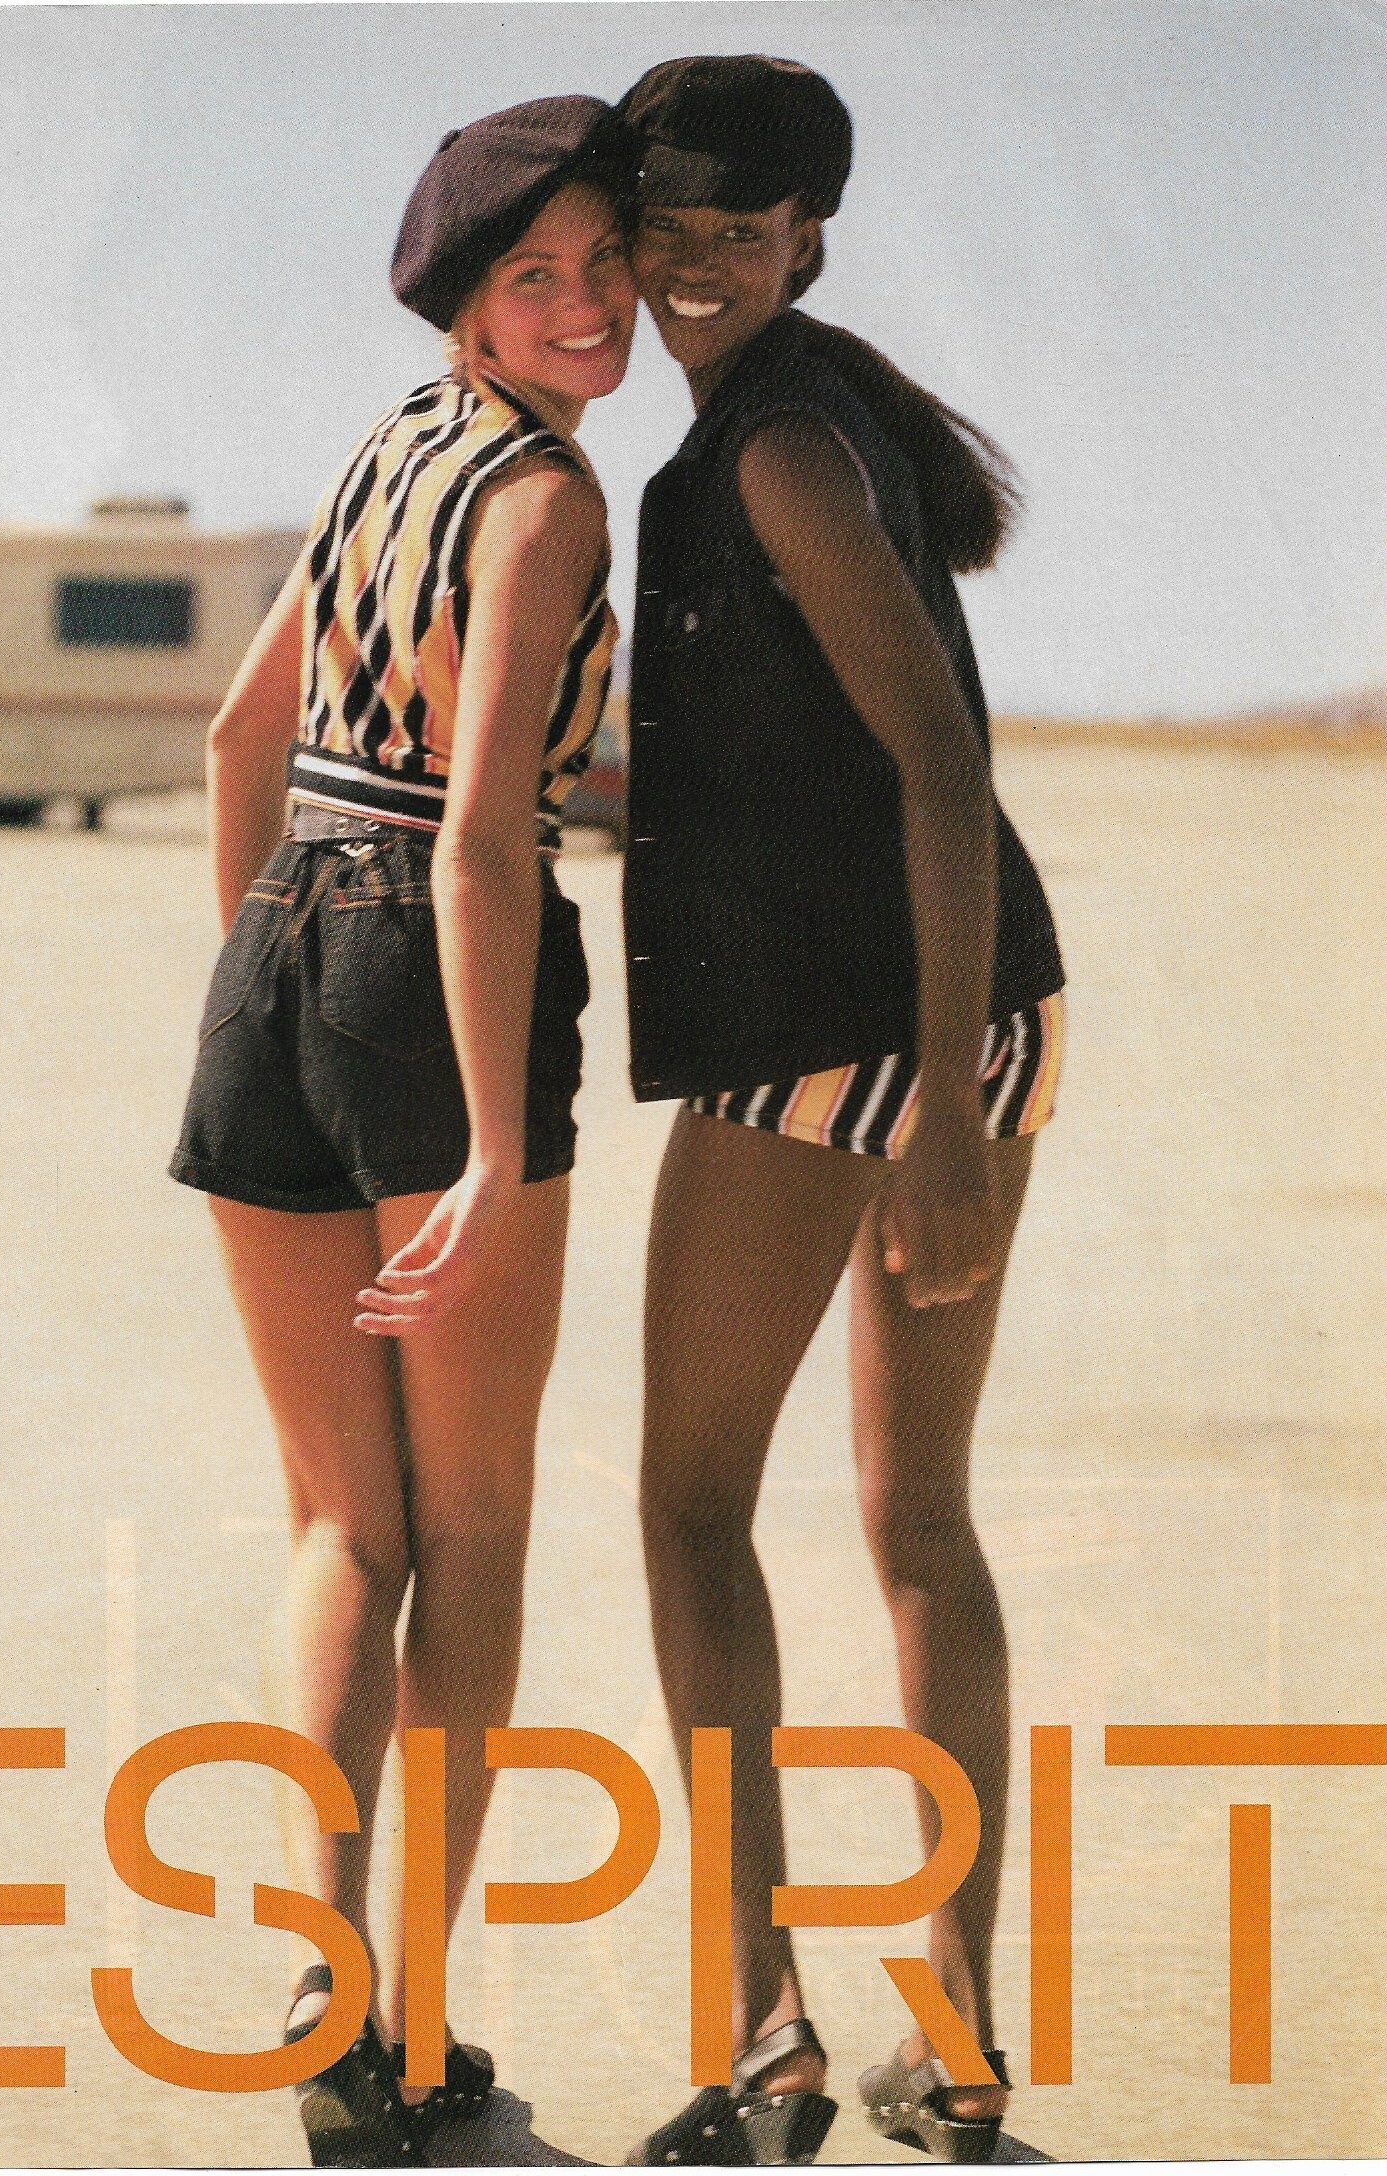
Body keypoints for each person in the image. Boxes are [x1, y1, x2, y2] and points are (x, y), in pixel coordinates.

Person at [168, 96, 637, 2167]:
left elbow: (237, 736)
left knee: (339, 1526)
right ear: (465, 300)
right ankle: (416, 2016)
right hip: (442, 984)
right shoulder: (544, 496)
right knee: (476, 1534)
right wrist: (484, 1144)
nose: (586, 305)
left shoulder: (387, 446)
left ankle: (315, 1959)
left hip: (277, 951)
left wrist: (263, 975)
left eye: (605, 264)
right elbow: (479, 844)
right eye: (536, 274)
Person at [616, 56, 1067, 2168]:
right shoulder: (804, 420)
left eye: (741, 228)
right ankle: (951, 2043)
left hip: (858, 1032)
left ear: (808, 242)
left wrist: (940, 1125)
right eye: (667, 225)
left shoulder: (780, 447)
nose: (695, 264)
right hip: (972, 1006)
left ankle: (764, 2036)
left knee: (691, 1508)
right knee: (919, 1521)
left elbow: (942, 763)